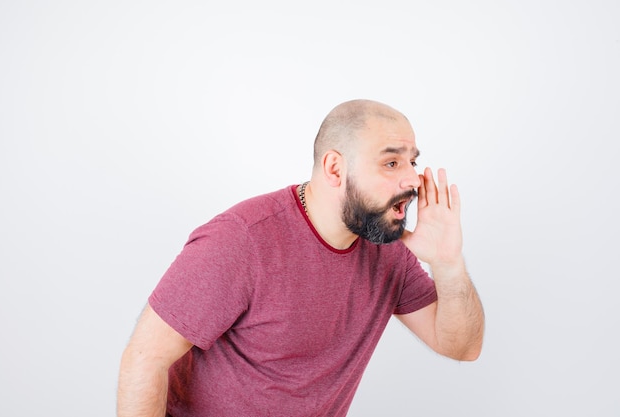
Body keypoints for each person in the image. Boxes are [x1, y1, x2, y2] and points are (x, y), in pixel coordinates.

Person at [117, 99, 485, 417]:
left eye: (413, 162)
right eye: (391, 164)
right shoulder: (241, 239)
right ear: (335, 169)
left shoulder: (388, 249)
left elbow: (461, 347)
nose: (413, 180)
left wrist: (448, 264)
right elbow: (144, 359)